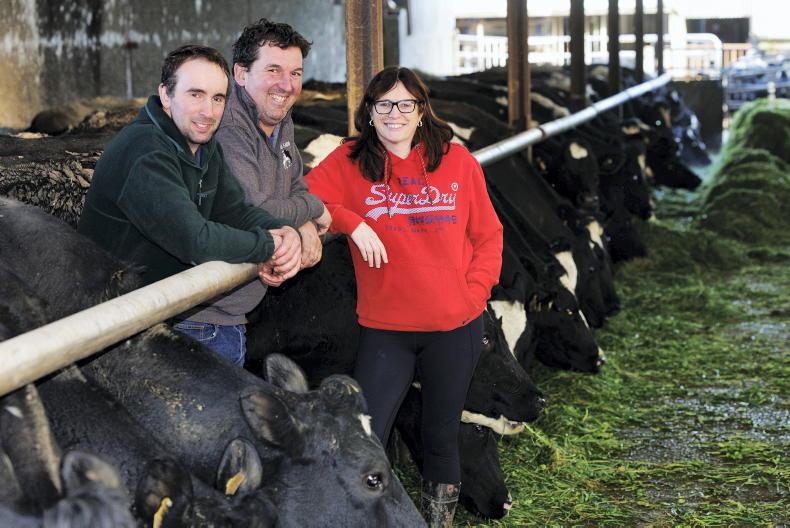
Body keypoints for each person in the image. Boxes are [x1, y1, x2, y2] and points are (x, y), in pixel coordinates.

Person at [305, 66, 503, 527]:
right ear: (369, 113)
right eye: (384, 104)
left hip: (454, 328)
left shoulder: (457, 162)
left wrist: (473, 294)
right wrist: (351, 223)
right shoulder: (350, 160)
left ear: (421, 111)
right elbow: (305, 198)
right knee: (367, 434)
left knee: (440, 435)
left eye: (405, 104)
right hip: (385, 331)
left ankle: (437, 522)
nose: (395, 113)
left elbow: (489, 236)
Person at [77, 44, 301, 365]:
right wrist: (267, 245)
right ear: (166, 96)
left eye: (218, 98)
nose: (208, 112)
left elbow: (235, 210)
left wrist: (280, 231)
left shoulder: (204, 147)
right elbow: (193, 240)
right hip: (108, 336)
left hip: (155, 316)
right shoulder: (144, 149)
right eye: (195, 94)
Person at [199, 18, 330, 347]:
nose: (286, 85)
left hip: (239, 306)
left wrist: (306, 226)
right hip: (205, 316)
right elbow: (252, 209)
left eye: (296, 74)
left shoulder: (281, 118)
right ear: (241, 74)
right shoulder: (229, 127)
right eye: (273, 70)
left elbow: (295, 184)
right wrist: (314, 209)